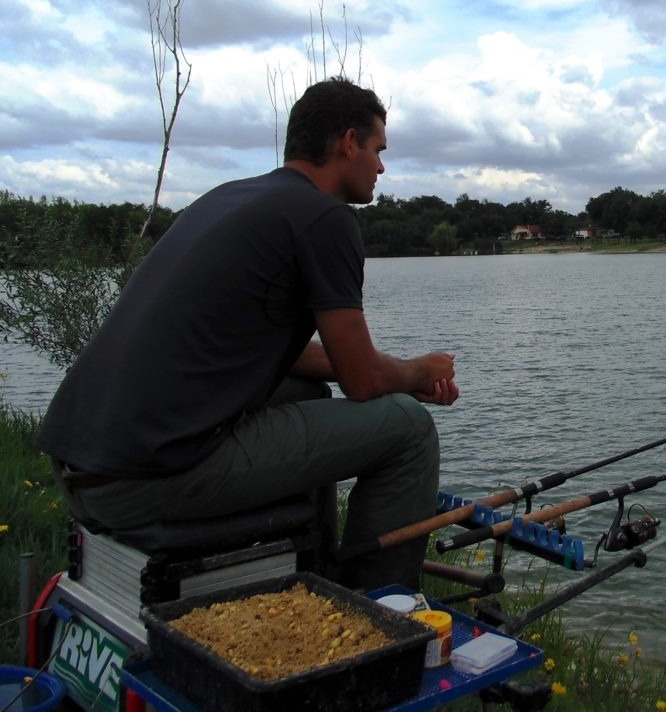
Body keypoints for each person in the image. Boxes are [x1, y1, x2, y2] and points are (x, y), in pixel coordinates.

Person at [38, 77, 459, 590]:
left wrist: (389, 371)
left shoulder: (230, 198)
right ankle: (381, 611)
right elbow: (364, 383)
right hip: (148, 478)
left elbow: (319, 360)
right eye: (377, 149)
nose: (381, 166)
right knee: (408, 429)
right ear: (348, 142)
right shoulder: (327, 218)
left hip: (82, 465)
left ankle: (315, 570)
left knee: (303, 393)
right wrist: (419, 370)